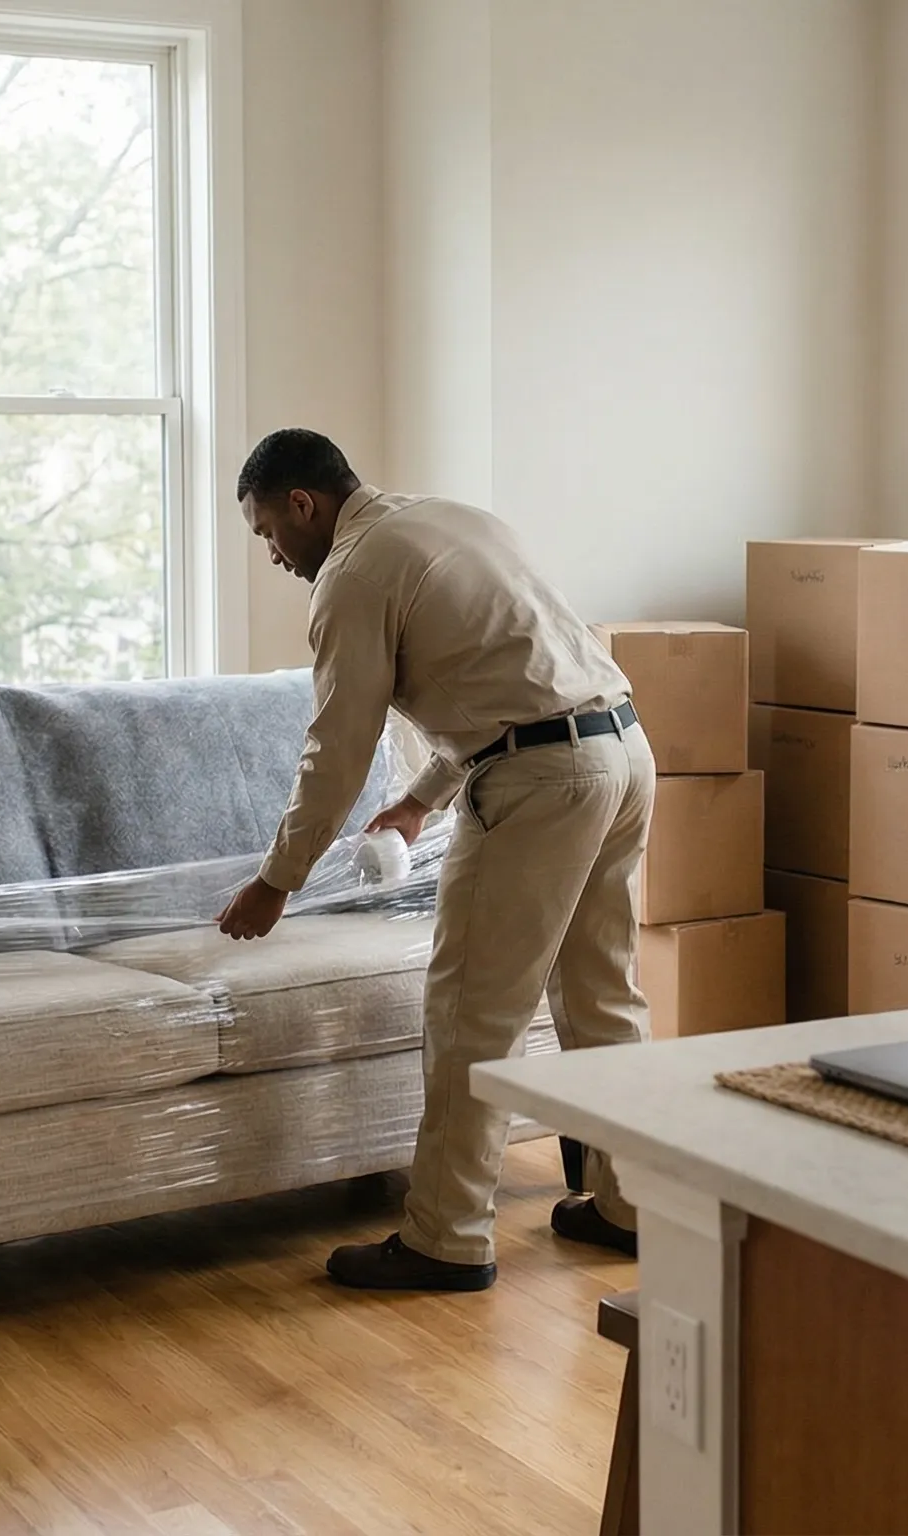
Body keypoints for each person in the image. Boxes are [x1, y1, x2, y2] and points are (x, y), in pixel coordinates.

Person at [219, 428, 651, 1292]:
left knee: (469, 1015)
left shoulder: (353, 573)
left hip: (541, 784)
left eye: (267, 531)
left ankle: (446, 1239)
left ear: (303, 504)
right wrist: (422, 797)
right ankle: (631, 1204)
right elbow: (514, 677)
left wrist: (278, 880)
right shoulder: (451, 521)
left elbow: (338, 748)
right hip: (624, 751)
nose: (271, 553)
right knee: (604, 995)